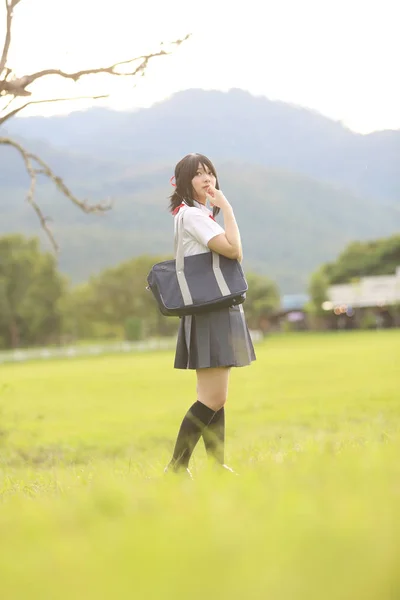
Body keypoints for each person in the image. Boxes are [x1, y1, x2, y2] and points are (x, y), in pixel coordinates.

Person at [164, 153, 256, 478]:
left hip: (207, 310)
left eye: (210, 173)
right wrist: (228, 208)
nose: (207, 179)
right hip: (213, 310)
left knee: (212, 398)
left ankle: (216, 467)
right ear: (185, 182)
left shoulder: (192, 214)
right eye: (198, 174)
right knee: (214, 397)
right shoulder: (195, 215)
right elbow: (234, 250)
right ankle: (176, 468)